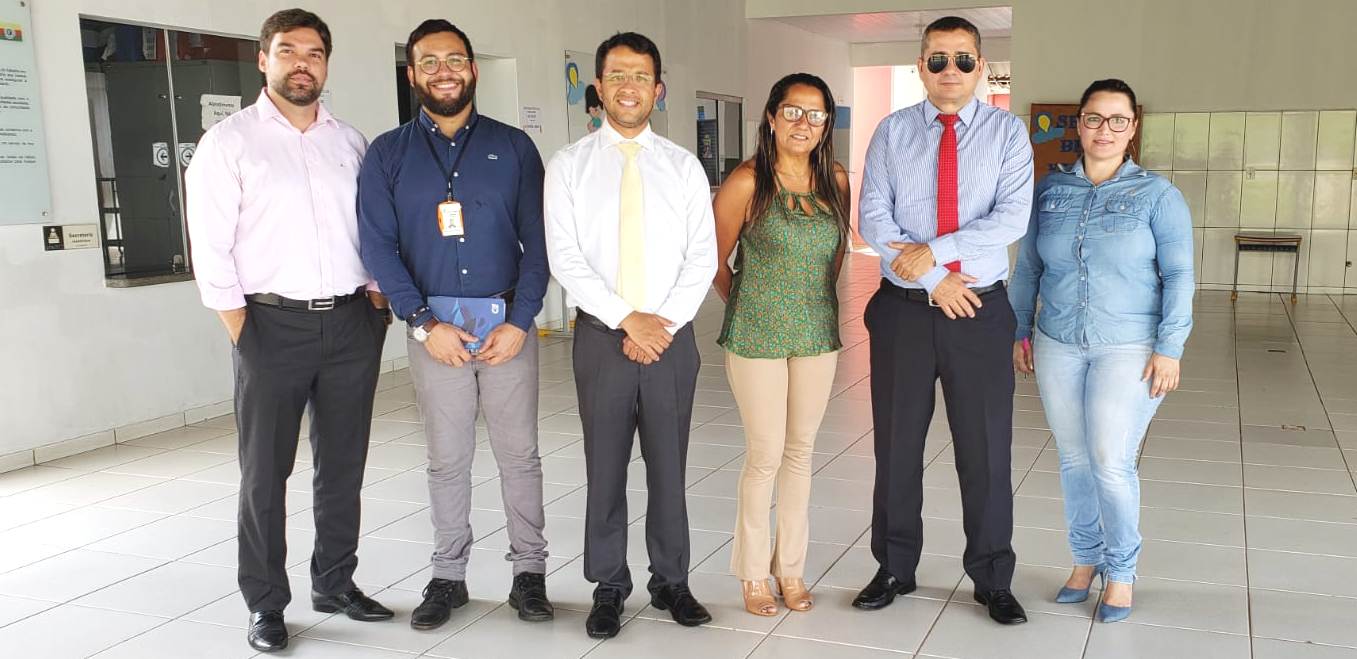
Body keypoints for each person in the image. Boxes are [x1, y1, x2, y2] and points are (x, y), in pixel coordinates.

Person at [185, 9, 392, 653]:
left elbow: (372, 228)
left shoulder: (350, 142)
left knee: (343, 465)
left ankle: (335, 582)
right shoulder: (230, 142)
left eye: (314, 53)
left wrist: (377, 299)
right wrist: (241, 328)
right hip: (269, 325)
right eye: (288, 51)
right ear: (263, 60)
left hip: (352, 324)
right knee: (264, 473)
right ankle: (266, 603)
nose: (302, 64)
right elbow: (210, 248)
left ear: (326, 64)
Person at [357, 19, 553, 629]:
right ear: (412, 74)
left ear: (471, 69)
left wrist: (521, 321)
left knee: (519, 456)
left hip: (506, 329)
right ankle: (448, 576)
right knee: (446, 459)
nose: (444, 71)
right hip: (435, 331)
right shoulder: (387, 153)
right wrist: (422, 323)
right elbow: (379, 247)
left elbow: (540, 243)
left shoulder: (513, 148)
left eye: (455, 60)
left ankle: (529, 573)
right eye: (430, 62)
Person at [855, 15, 1033, 626]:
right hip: (905, 312)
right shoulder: (892, 131)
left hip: (979, 311)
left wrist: (935, 252)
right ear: (920, 67)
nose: (949, 70)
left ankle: (992, 576)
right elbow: (874, 219)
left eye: (962, 59)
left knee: (985, 451)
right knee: (896, 447)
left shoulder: (1008, 133)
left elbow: (1011, 219)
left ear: (980, 66)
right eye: (937, 59)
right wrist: (934, 277)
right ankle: (894, 567)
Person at [543, 31, 717, 639]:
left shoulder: (683, 166)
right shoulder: (569, 165)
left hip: (671, 338)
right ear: (598, 86)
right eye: (617, 75)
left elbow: (703, 256)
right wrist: (626, 318)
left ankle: (672, 580)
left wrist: (660, 324)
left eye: (641, 76)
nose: (628, 86)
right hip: (602, 338)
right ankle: (609, 585)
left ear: (657, 89)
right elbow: (564, 257)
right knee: (606, 465)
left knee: (670, 465)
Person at [1009, 78, 1194, 624]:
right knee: (1073, 460)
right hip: (1058, 342)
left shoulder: (1158, 195)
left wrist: (1171, 347)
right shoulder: (1049, 191)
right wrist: (1019, 329)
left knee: (1110, 462)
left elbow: (1180, 275)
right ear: (1079, 124)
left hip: (1128, 346)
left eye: (1117, 120)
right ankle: (1085, 559)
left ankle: (1122, 572)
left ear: (1132, 128)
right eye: (1094, 118)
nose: (1104, 130)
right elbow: (1028, 268)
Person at [711, 73, 849, 617]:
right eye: (792, 111)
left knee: (801, 452)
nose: (803, 123)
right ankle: (752, 573)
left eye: (815, 115)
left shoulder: (834, 179)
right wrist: (750, 303)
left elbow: (836, 257)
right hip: (756, 335)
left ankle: (790, 567)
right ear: (771, 117)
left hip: (817, 332)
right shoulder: (747, 181)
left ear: (826, 125)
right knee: (765, 454)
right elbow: (714, 261)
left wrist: (806, 301)